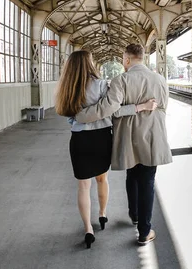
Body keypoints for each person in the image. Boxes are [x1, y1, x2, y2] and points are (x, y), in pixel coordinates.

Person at [54, 50, 157, 249]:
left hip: (79, 140)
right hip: (101, 138)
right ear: (89, 63)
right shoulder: (101, 85)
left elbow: (67, 115)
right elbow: (115, 111)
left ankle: (87, 229)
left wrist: (78, 119)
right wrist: (141, 107)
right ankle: (102, 214)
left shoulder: (66, 88)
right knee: (102, 179)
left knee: (83, 186)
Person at [75, 44, 172, 245]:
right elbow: (162, 108)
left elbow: (110, 110)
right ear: (142, 58)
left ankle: (134, 214)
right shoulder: (160, 79)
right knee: (147, 181)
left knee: (132, 174)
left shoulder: (121, 80)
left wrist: (81, 116)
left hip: (128, 138)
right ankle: (144, 231)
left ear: (126, 59)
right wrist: (145, 111)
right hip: (152, 137)